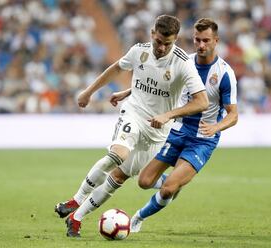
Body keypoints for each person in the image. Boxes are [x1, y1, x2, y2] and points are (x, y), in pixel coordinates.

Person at [54, 14, 209, 237]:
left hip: (157, 132)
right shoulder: (139, 51)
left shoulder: (183, 63)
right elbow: (116, 69)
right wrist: (89, 92)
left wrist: (169, 115)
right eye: (159, 42)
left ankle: (75, 220)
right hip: (134, 114)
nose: (162, 48)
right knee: (118, 154)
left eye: (168, 43)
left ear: (175, 39)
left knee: (118, 177)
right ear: (152, 34)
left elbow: (201, 101)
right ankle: (75, 200)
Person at [129, 18, 239, 233]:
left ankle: (138, 217)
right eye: (197, 40)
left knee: (168, 188)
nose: (201, 45)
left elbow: (233, 115)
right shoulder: (182, 62)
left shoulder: (225, 73)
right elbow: (156, 85)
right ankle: (173, 183)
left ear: (216, 41)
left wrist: (216, 128)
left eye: (206, 40)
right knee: (144, 181)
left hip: (202, 140)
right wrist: (128, 92)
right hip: (177, 131)